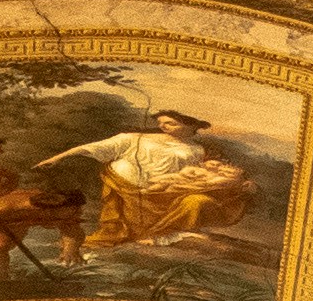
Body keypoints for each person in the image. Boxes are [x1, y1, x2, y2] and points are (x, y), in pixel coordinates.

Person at [40, 107, 252, 253]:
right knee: (118, 227)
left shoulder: (199, 150)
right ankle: (135, 234)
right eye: (161, 123)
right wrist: (58, 157)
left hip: (168, 194)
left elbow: (216, 174)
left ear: (189, 126)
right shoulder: (135, 137)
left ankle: (167, 231)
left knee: (198, 201)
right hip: (128, 189)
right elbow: (95, 147)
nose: (164, 126)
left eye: (170, 123)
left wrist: (241, 184)